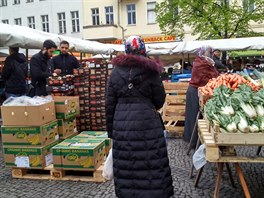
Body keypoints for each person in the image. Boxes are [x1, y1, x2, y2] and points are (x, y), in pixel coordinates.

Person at [106, 36, 174, 198]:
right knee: (152, 164)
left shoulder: (116, 73)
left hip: (122, 128)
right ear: (144, 50)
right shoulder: (151, 71)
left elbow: (109, 105)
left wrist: (111, 132)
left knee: (127, 167)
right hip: (148, 125)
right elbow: (159, 100)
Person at [183, 46, 219, 147]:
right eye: (209, 53)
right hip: (195, 92)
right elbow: (210, 78)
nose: (210, 54)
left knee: (194, 116)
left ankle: (195, 140)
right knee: (194, 117)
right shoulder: (203, 63)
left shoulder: (201, 61)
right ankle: (194, 141)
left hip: (196, 91)